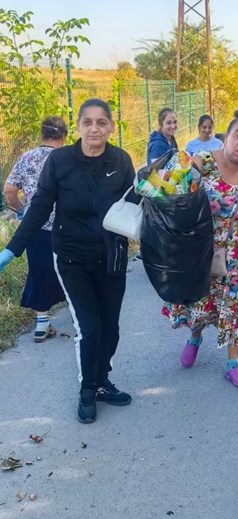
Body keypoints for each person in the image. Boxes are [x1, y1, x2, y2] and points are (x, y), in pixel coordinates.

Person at [0, 98, 137, 424]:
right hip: (73, 259)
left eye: (101, 122)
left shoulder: (121, 159)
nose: (94, 129)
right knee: (89, 327)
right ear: (77, 127)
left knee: (111, 328)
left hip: (113, 258)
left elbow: (135, 204)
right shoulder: (60, 161)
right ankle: (87, 391)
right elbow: (39, 207)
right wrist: (11, 250)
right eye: (87, 122)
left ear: (110, 127)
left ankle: (102, 381)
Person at [162, 108, 238, 387]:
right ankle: (195, 336)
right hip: (204, 251)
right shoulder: (204, 162)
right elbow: (172, 190)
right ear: (226, 137)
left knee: (237, 304)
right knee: (201, 301)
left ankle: (233, 363)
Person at [3, 117, 67, 342]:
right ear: (64, 136)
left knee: (39, 271)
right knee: (72, 269)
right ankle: (81, 315)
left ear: (42, 134)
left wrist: (23, 212)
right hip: (67, 226)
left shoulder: (26, 157)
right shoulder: (67, 158)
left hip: (36, 226)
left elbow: (9, 191)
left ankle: (42, 324)